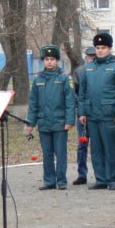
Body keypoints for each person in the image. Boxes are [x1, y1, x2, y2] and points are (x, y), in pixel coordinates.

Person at [26, 45, 76, 190]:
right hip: (43, 123)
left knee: (60, 153)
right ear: (43, 61)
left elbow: (70, 101)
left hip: (60, 122)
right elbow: (33, 103)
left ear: (57, 61)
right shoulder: (37, 80)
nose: (49, 62)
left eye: (52, 59)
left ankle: (61, 181)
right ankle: (49, 181)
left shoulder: (65, 78)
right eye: (46, 59)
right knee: (47, 153)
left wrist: (69, 121)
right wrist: (31, 122)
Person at [79, 32, 115, 190]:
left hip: (109, 114)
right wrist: (82, 112)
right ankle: (100, 179)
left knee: (110, 148)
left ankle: (112, 179)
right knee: (96, 149)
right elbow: (82, 92)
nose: (100, 50)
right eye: (98, 48)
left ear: (110, 49)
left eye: (103, 48)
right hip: (92, 114)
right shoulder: (88, 68)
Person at [71, 45, 95, 184]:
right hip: (82, 114)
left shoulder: (101, 71)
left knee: (98, 145)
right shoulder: (79, 71)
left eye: (93, 57)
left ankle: (102, 174)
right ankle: (82, 174)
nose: (90, 59)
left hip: (97, 113)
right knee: (82, 144)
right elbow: (75, 93)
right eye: (89, 56)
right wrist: (81, 112)